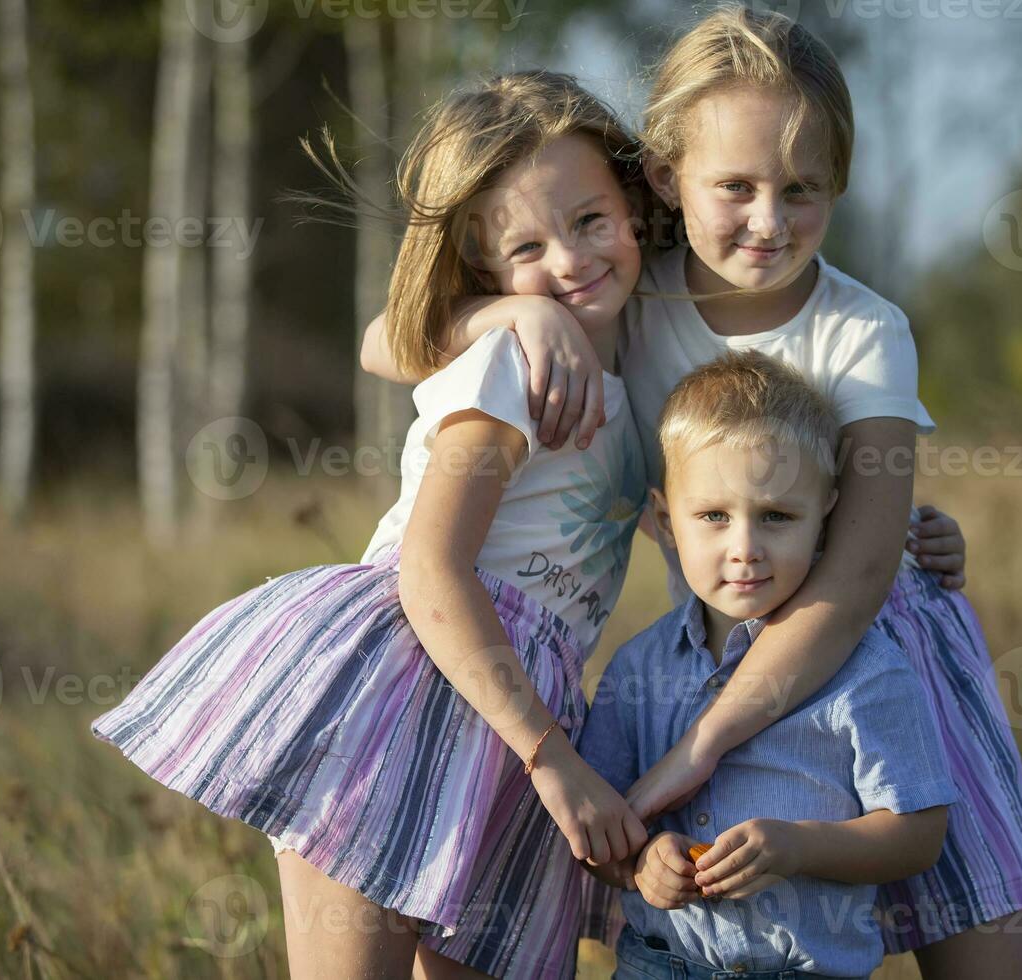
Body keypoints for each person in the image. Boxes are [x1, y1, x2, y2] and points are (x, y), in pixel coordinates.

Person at [359, 9, 1022, 978]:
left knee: (988, 950)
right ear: (664, 177)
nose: (769, 220)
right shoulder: (629, 295)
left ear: (839, 185)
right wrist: (509, 312)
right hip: (717, 638)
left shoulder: (865, 331)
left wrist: (703, 745)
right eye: (736, 187)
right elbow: (386, 340)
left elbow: (850, 584)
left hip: (883, 657)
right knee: (722, 933)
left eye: (802, 190)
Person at [90, 70, 656, 980]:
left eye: (591, 221)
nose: (569, 261)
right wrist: (555, 759)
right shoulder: (513, 361)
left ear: (632, 206)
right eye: (527, 249)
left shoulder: (637, 378)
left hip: (518, 721)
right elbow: (432, 572)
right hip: (412, 687)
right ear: (481, 267)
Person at [579, 350, 957, 979]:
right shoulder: (637, 669)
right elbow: (599, 824)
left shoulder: (867, 672)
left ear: (826, 517)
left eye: (777, 516)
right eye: (713, 517)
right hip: (659, 965)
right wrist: (641, 864)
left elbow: (919, 833)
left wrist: (800, 846)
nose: (745, 548)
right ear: (666, 521)